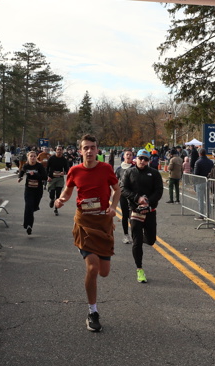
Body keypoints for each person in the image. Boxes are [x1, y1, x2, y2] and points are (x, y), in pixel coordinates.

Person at [54, 134, 119, 332]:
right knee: (92, 267)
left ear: (97, 150)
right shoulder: (74, 171)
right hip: (84, 223)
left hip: (103, 223)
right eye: (86, 148)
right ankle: (93, 311)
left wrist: (113, 207)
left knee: (104, 272)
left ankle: (93, 306)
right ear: (80, 151)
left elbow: (117, 190)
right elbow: (67, 191)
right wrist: (61, 200)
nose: (89, 151)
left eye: (92, 147)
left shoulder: (106, 169)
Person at [122, 149, 164, 283]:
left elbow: (159, 191)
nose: (143, 161)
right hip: (135, 211)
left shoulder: (154, 173)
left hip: (150, 210)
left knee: (151, 240)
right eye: (141, 158)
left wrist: (148, 202)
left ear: (148, 161)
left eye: (146, 159)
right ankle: (139, 269)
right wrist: (137, 198)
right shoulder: (129, 172)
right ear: (136, 159)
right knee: (137, 242)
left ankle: (142, 239)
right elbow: (123, 188)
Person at [17, 150, 47, 235]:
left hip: (38, 190)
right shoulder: (26, 166)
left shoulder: (39, 166)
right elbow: (22, 172)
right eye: (31, 156)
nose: (33, 158)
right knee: (28, 206)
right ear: (28, 157)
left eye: (34, 156)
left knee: (33, 207)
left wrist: (35, 174)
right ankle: (28, 225)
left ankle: (33, 210)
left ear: (36, 157)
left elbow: (44, 177)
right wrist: (20, 177)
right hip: (29, 189)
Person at [116, 149, 136, 244]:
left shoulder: (135, 168)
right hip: (123, 195)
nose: (128, 156)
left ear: (132, 157)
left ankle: (135, 235)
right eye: (127, 154)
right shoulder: (119, 169)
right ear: (123, 156)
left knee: (133, 215)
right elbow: (116, 182)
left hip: (133, 195)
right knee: (125, 215)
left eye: (130, 155)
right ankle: (126, 235)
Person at [46, 145, 70, 215]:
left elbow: (67, 169)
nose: (59, 151)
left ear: (62, 151)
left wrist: (64, 172)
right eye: (58, 150)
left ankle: (56, 209)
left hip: (60, 178)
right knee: (52, 194)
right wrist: (48, 176)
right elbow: (47, 168)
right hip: (52, 178)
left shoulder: (64, 160)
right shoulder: (51, 158)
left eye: (60, 150)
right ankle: (52, 199)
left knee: (58, 194)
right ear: (55, 150)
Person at [191, 148, 214, 218]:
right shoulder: (210, 162)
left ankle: (201, 214)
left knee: (200, 199)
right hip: (208, 181)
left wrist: (194, 182)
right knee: (207, 198)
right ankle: (209, 212)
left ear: (199, 154)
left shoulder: (198, 162)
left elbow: (196, 174)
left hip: (200, 182)